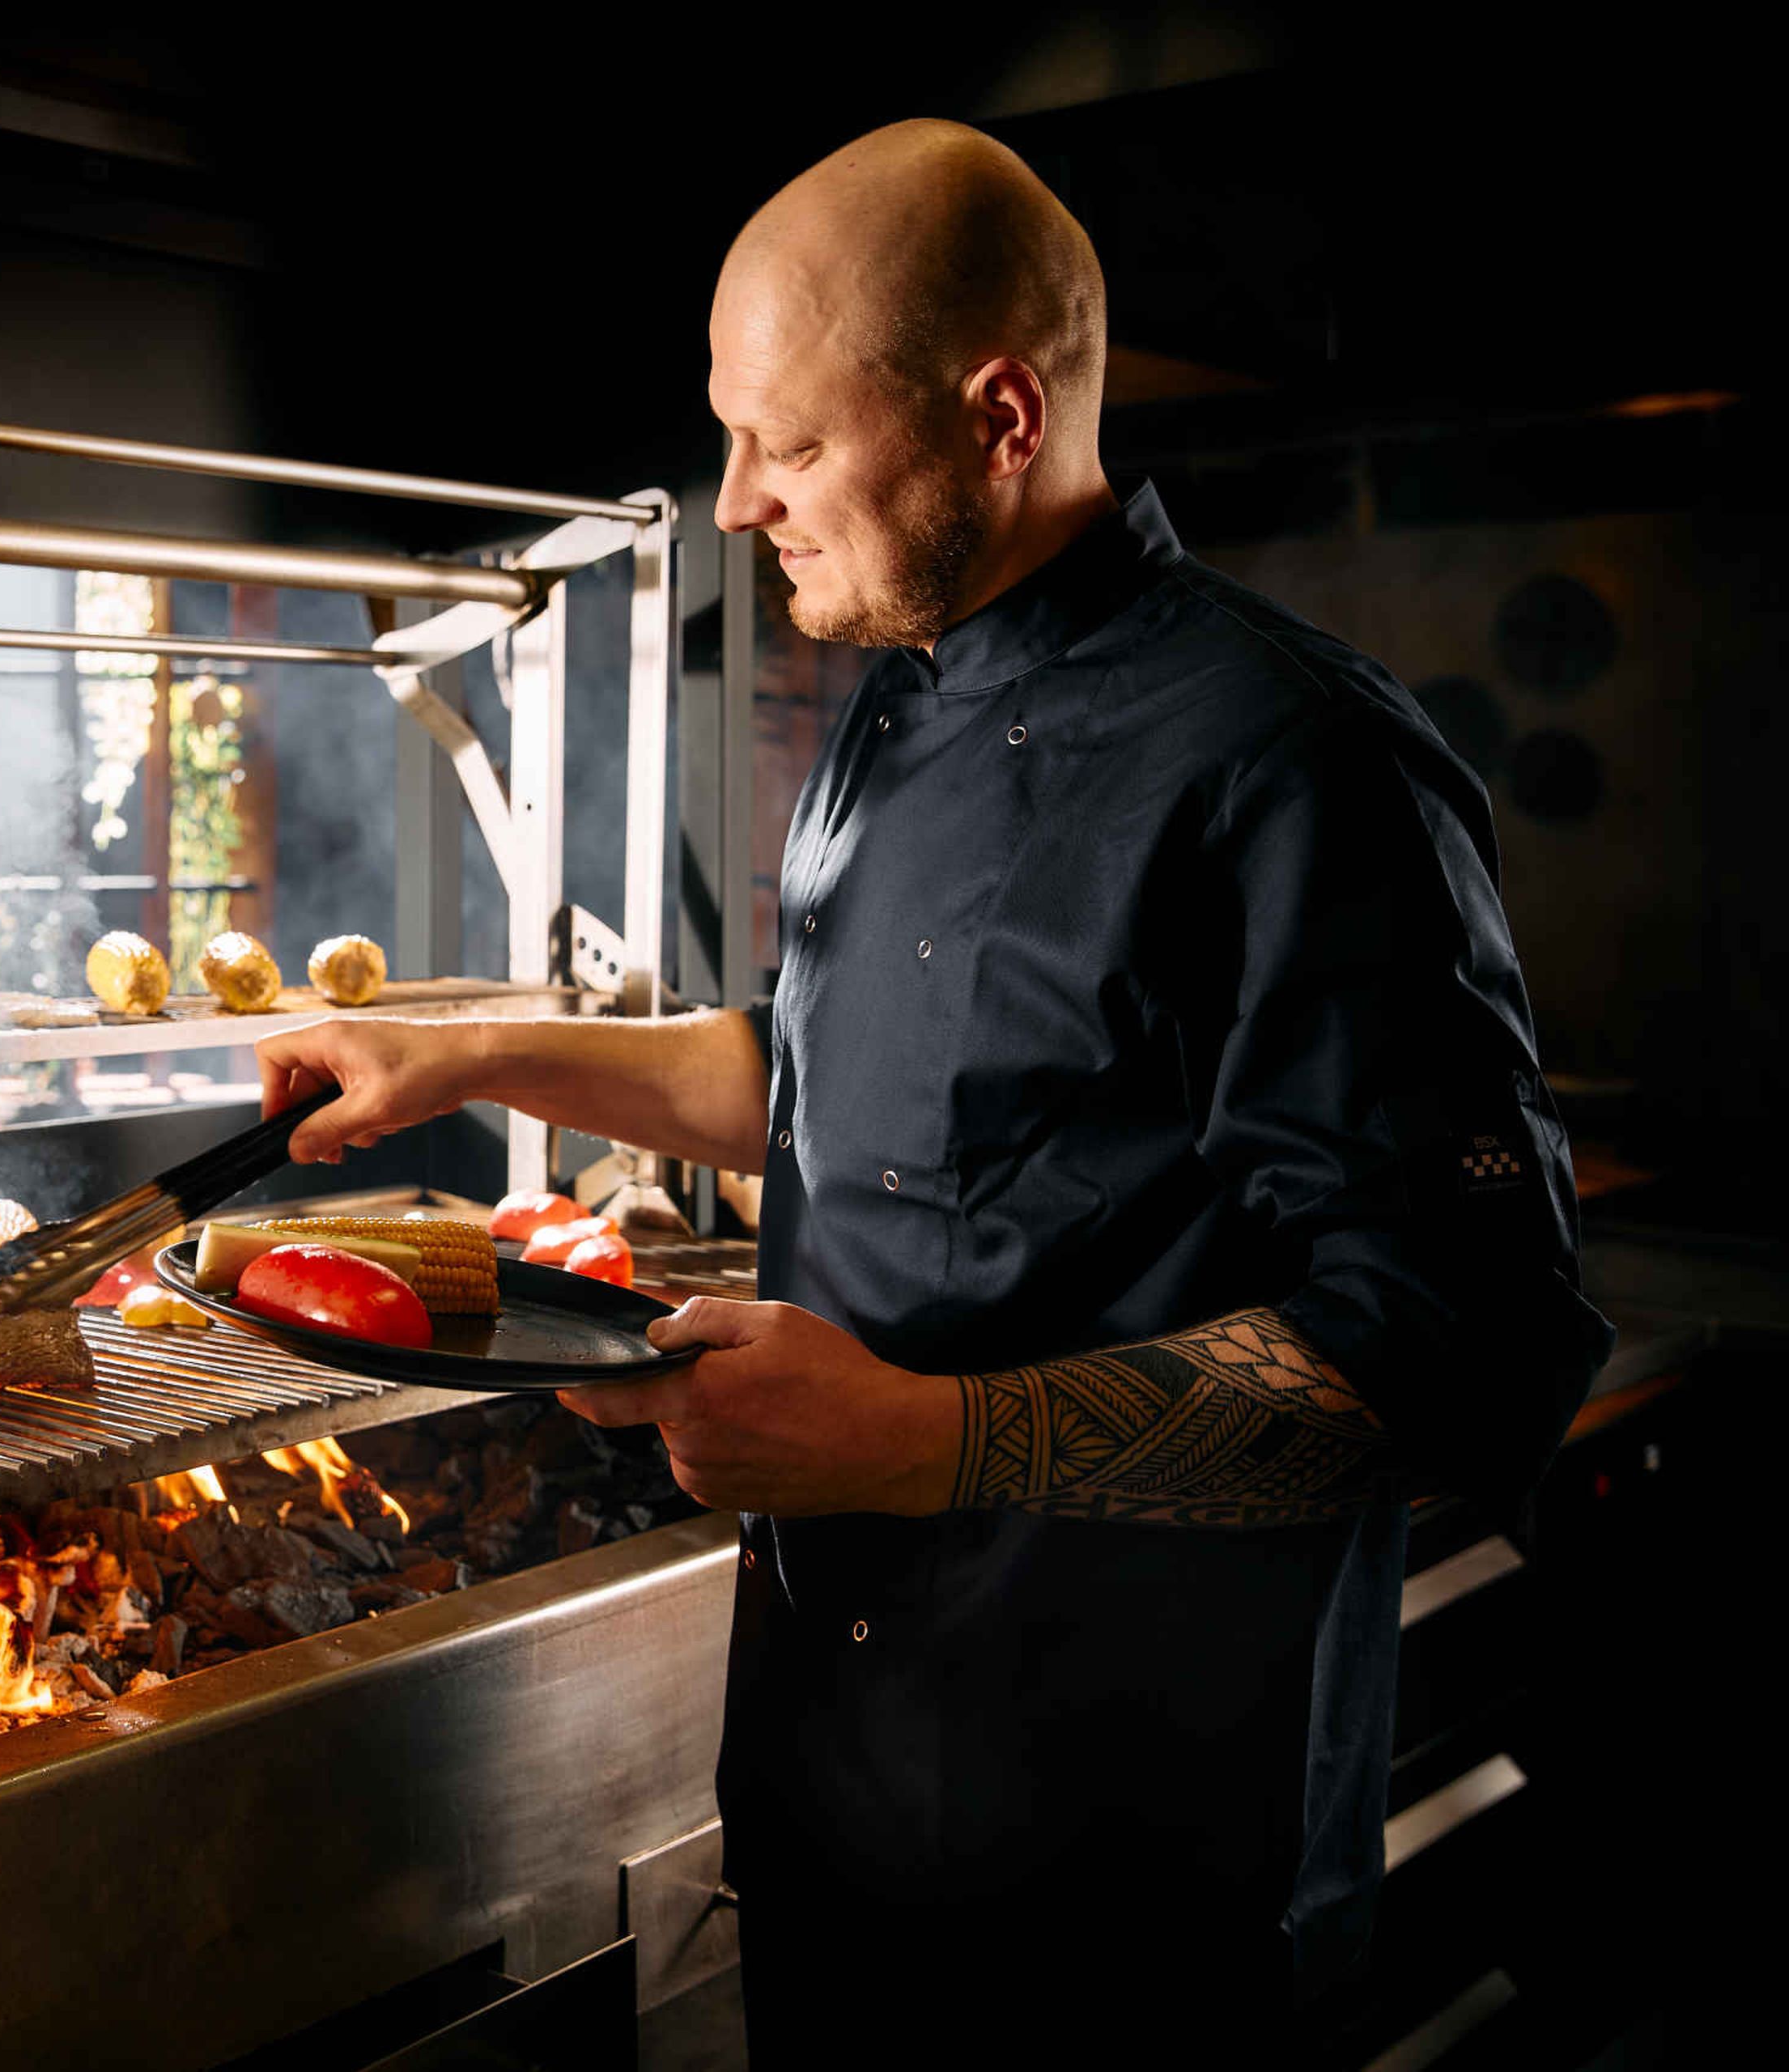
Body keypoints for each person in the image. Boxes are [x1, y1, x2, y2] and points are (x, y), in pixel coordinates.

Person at [255, 118, 1608, 2054]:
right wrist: (462, 1052)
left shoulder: (1298, 767)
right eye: (732, 433)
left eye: (788, 445)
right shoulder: (893, 694)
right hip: (835, 1801)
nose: (733, 504)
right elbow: (839, 1083)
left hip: (1139, 1892)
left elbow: (1465, 1344)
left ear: (1000, 413)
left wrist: (913, 1441)